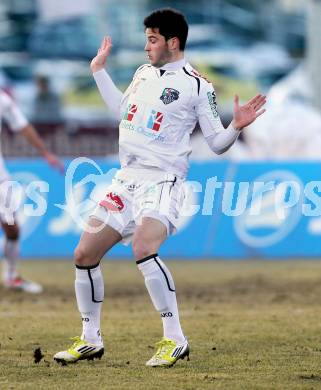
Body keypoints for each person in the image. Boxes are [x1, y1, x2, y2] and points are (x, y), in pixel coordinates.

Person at [54, 8, 266, 366]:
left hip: (163, 180)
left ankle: (175, 339)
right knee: (84, 255)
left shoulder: (197, 85)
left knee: (143, 245)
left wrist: (237, 126)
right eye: (146, 39)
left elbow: (216, 143)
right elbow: (123, 110)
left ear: (173, 41)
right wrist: (99, 72)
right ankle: (90, 339)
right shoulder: (142, 73)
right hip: (126, 179)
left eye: (153, 39)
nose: (147, 46)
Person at [0, 89, 64, 293]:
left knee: (12, 227)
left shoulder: (2, 100)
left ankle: (11, 277)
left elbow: (23, 126)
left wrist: (45, 153)